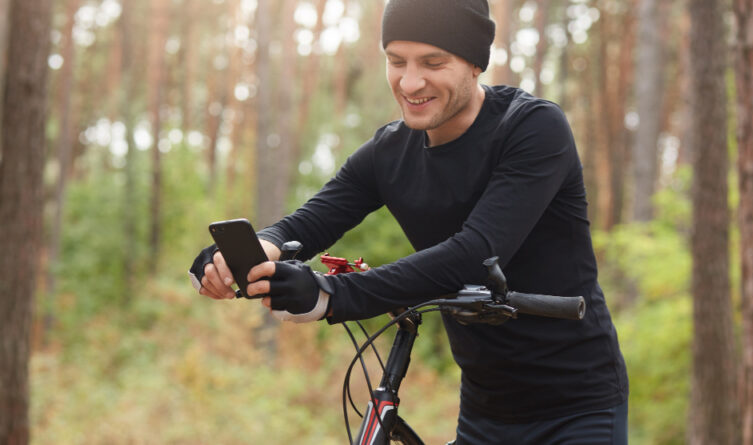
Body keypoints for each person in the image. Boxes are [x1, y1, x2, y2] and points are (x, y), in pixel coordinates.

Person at [190, 0, 628, 442]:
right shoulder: (389, 152)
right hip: (484, 410)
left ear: (476, 63)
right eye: (396, 61)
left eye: (432, 62)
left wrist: (330, 294)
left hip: (578, 407)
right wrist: (251, 251)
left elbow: (475, 255)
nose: (410, 81)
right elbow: (307, 223)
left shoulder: (532, 128)